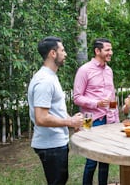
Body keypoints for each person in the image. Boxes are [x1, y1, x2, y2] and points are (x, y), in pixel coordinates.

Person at [27, 36, 84, 185]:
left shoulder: (50, 77)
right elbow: (41, 118)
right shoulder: (44, 80)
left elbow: (56, 110)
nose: (65, 54)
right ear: (53, 53)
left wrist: (72, 122)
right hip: (50, 145)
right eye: (62, 50)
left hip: (55, 143)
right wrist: (70, 121)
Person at [73, 38, 119, 185]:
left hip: (108, 118)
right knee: (91, 159)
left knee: (105, 158)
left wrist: (115, 118)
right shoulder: (84, 70)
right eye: (107, 50)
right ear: (97, 51)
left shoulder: (109, 70)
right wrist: (96, 103)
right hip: (89, 119)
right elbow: (77, 97)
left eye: (111, 49)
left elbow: (112, 96)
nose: (110, 53)